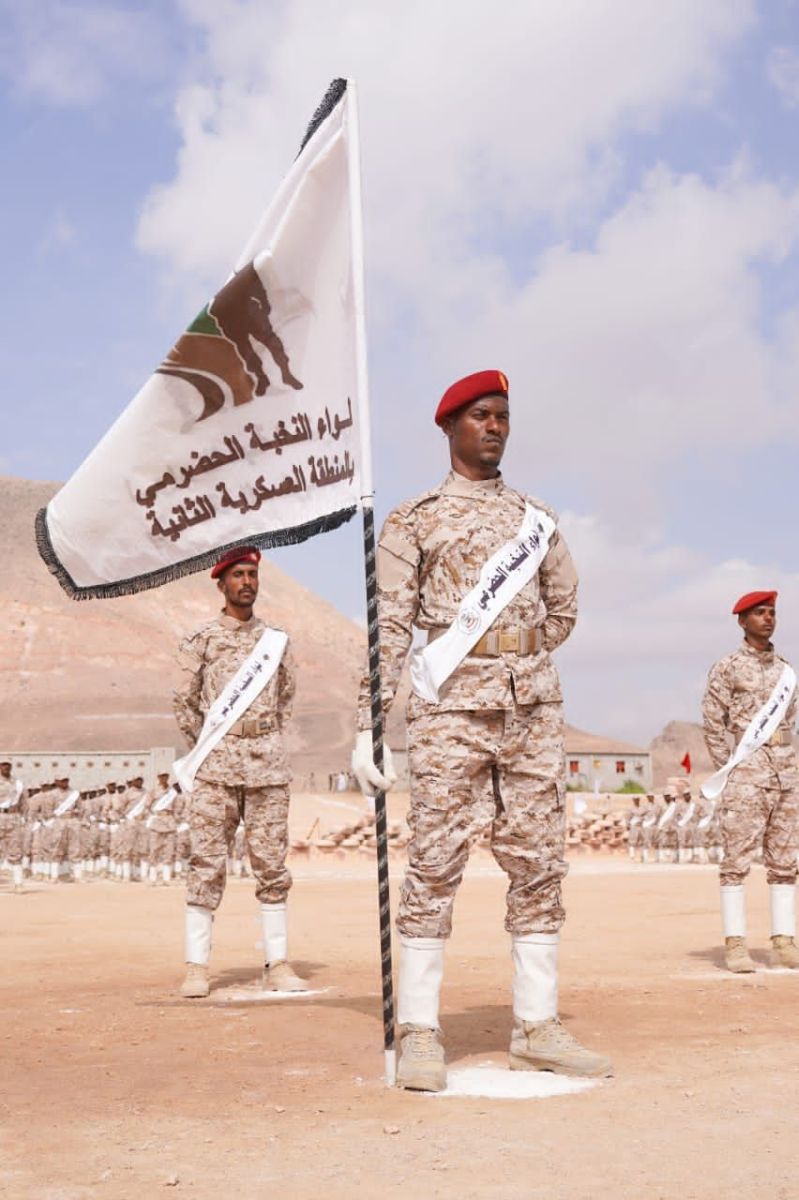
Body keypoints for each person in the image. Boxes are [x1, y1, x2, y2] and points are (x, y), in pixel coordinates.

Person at [352, 369, 611, 1091]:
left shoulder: (537, 519)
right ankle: (420, 1029)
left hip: (531, 711)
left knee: (538, 862)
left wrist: (513, 654)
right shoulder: (413, 519)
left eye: (502, 416)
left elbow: (563, 609)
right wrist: (369, 723)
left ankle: (536, 1026)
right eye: (480, 416)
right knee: (435, 861)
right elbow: (389, 627)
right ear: (449, 427)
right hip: (448, 712)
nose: (494, 427)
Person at [173, 546, 306, 999]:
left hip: (268, 767)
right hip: (216, 769)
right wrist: (210, 744)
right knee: (206, 863)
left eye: (252, 574)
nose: (247, 582)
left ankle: (278, 962)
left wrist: (262, 736)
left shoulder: (276, 641)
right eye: (238, 575)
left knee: (272, 865)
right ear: (221, 583)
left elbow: (285, 698)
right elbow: (184, 702)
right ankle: (196, 967)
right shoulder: (201, 640)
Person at [702, 591, 799, 973]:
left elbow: (791, 719)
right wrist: (728, 769)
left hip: (786, 771)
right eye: (759, 613)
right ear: (742, 621)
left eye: (772, 612)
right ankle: (736, 944)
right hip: (747, 772)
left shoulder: (787, 672)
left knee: (786, 861)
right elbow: (713, 721)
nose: (768, 618)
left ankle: (783, 942)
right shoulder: (727, 668)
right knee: (736, 860)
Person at [0, 760, 25, 891]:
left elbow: (24, 803)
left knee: (16, 850)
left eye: (8, 765)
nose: (6, 767)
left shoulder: (18, 784)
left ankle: (18, 883)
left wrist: (24, 818)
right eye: (3, 765)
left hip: (13, 817)